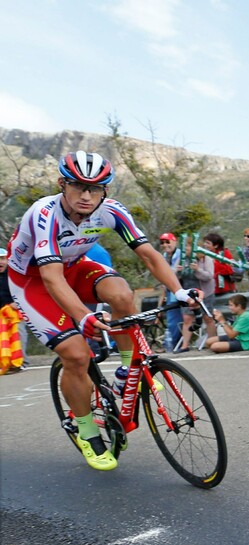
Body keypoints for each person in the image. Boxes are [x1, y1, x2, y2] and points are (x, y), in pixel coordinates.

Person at [6, 151, 198, 470]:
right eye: (78, 186)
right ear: (61, 185)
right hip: (32, 281)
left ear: (105, 191)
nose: (86, 195)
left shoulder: (110, 211)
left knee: (121, 294)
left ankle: (126, 372)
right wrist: (84, 316)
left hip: (73, 266)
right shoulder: (45, 213)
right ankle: (85, 430)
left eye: (95, 189)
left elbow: (150, 255)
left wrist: (179, 290)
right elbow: (51, 279)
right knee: (77, 355)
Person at [176, 240, 215, 353]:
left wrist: (197, 270)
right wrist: (178, 272)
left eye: (188, 247)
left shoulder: (205, 259)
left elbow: (209, 276)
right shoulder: (183, 260)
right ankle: (184, 345)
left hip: (204, 292)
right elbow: (175, 277)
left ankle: (212, 342)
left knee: (208, 318)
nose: (186, 250)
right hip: (188, 292)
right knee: (187, 318)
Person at [0, 247, 26, 375]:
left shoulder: (13, 273)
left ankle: (20, 362)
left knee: (18, 332)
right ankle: (6, 363)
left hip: (14, 310)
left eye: (2, 259)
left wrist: (15, 302)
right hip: (2, 310)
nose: (0, 262)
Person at [157, 233, 184, 352]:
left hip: (180, 290)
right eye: (162, 243)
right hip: (169, 290)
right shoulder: (164, 257)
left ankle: (176, 343)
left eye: (168, 242)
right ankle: (173, 343)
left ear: (175, 242)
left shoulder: (180, 255)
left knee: (176, 319)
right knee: (172, 319)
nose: (165, 245)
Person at [203, 232, 237, 297]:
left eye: (208, 243)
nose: (205, 245)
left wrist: (214, 263)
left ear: (216, 245)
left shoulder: (224, 253)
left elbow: (230, 269)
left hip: (225, 288)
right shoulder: (204, 254)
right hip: (210, 289)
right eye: (205, 242)